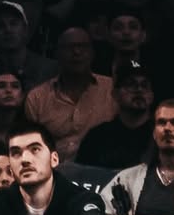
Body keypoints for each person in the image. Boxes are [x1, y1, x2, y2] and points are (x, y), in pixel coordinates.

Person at [24, 27, 116, 163]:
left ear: (92, 53)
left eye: (83, 47)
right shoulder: (37, 97)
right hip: (55, 171)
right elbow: (31, 147)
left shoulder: (112, 90)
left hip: (104, 169)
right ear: (57, 54)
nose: (76, 52)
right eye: (69, 47)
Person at [0, 0, 57, 114]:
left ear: (25, 30)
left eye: (14, 23)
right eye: (0, 25)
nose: (8, 30)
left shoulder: (51, 71)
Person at [76, 62, 155, 172]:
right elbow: (81, 175)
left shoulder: (160, 136)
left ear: (151, 95)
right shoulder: (98, 137)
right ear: (115, 94)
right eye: (131, 84)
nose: (139, 89)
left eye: (145, 85)